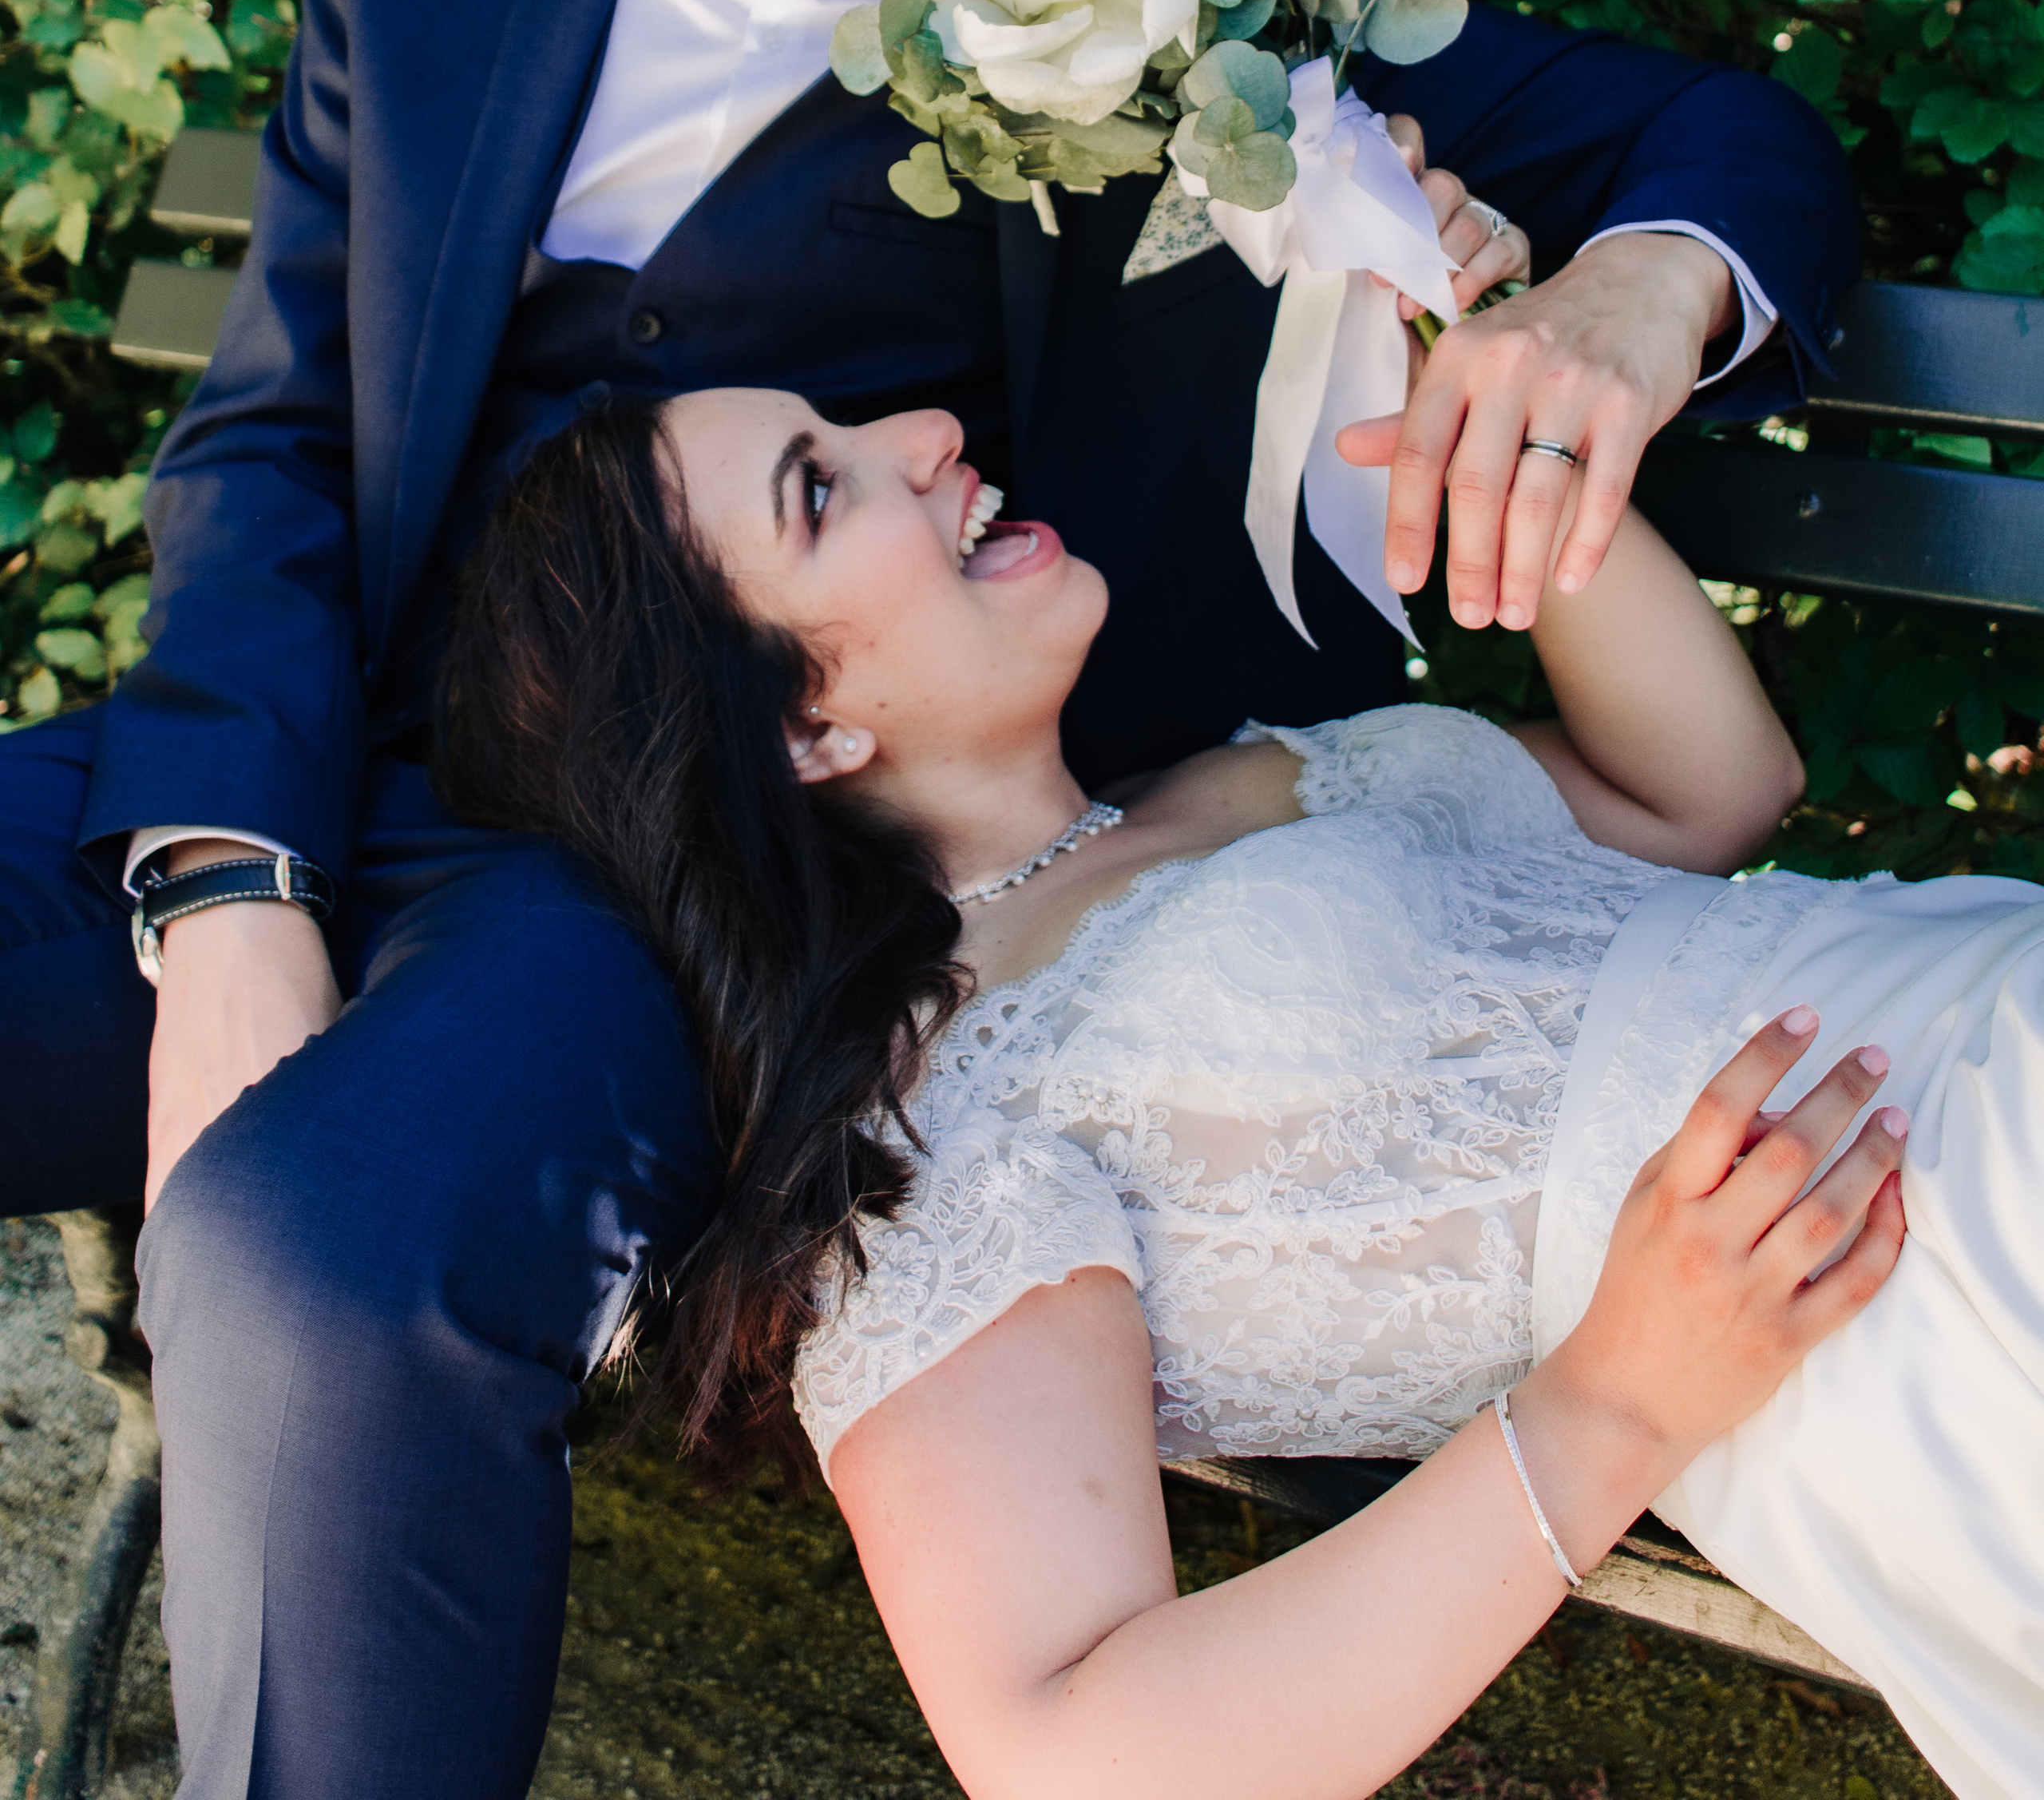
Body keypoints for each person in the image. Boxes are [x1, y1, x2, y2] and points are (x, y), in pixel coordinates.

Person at [0, 0, 1858, 1800]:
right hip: (307, 772)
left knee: (319, 1262)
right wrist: (224, 882)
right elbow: (283, 438)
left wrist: (1634, 299)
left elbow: (1721, 135)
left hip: (681, 863)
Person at [442, 384, 2044, 1800]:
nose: (923, 440)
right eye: (822, 487)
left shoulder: (1238, 776)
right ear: (805, 725)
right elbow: (1061, 1752)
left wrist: (1475, 387)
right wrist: (1605, 1407)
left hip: (1956, 989)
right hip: (1884, 1272)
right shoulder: (934, 1131)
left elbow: (1709, 784)